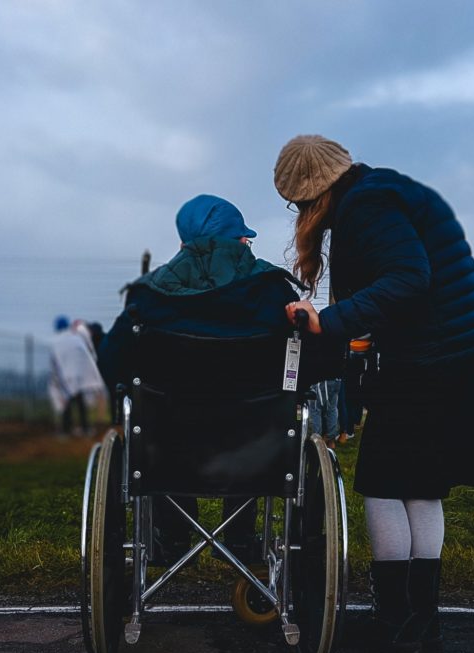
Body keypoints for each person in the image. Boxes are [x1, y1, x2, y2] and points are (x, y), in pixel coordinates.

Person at [274, 134, 474, 651]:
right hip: (456, 356)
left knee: (382, 482)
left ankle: (394, 617)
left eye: (299, 203)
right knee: (420, 486)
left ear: (314, 193)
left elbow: (408, 277)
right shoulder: (388, 191)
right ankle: (421, 619)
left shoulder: (367, 206)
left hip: (427, 360)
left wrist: (328, 321)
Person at [97, 194, 339, 563]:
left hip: (166, 451)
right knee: (251, 420)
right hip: (255, 450)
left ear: (183, 243)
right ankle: (240, 539)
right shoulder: (274, 292)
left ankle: (173, 537)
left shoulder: (147, 297)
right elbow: (315, 365)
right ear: (241, 241)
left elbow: (112, 364)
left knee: (160, 424)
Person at [48, 316, 106, 437]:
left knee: (67, 405)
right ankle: (85, 429)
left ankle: (65, 431)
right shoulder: (75, 338)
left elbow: (54, 363)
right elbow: (87, 354)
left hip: (66, 377)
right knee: (80, 403)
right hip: (80, 376)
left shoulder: (55, 342)